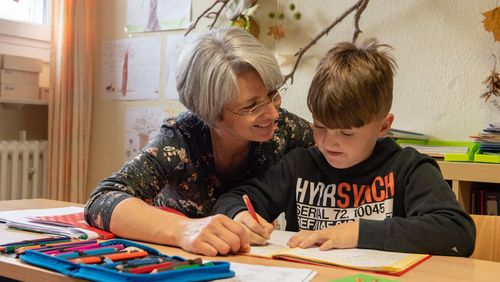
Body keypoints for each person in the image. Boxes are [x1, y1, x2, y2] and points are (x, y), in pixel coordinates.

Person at [212, 38, 476, 257]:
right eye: (320, 126)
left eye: (347, 133)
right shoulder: (300, 165)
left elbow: (457, 232)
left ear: (383, 127)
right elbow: (231, 200)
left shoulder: (408, 168)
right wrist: (240, 217)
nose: (329, 142)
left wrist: (356, 233)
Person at [84, 28, 314, 256]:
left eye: (273, 94)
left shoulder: (286, 130)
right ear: (211, 112)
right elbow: (102, 200)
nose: (273, 114)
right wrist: (183, 229)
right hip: (183, 263)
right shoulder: (180, 140)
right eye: (251, 106)